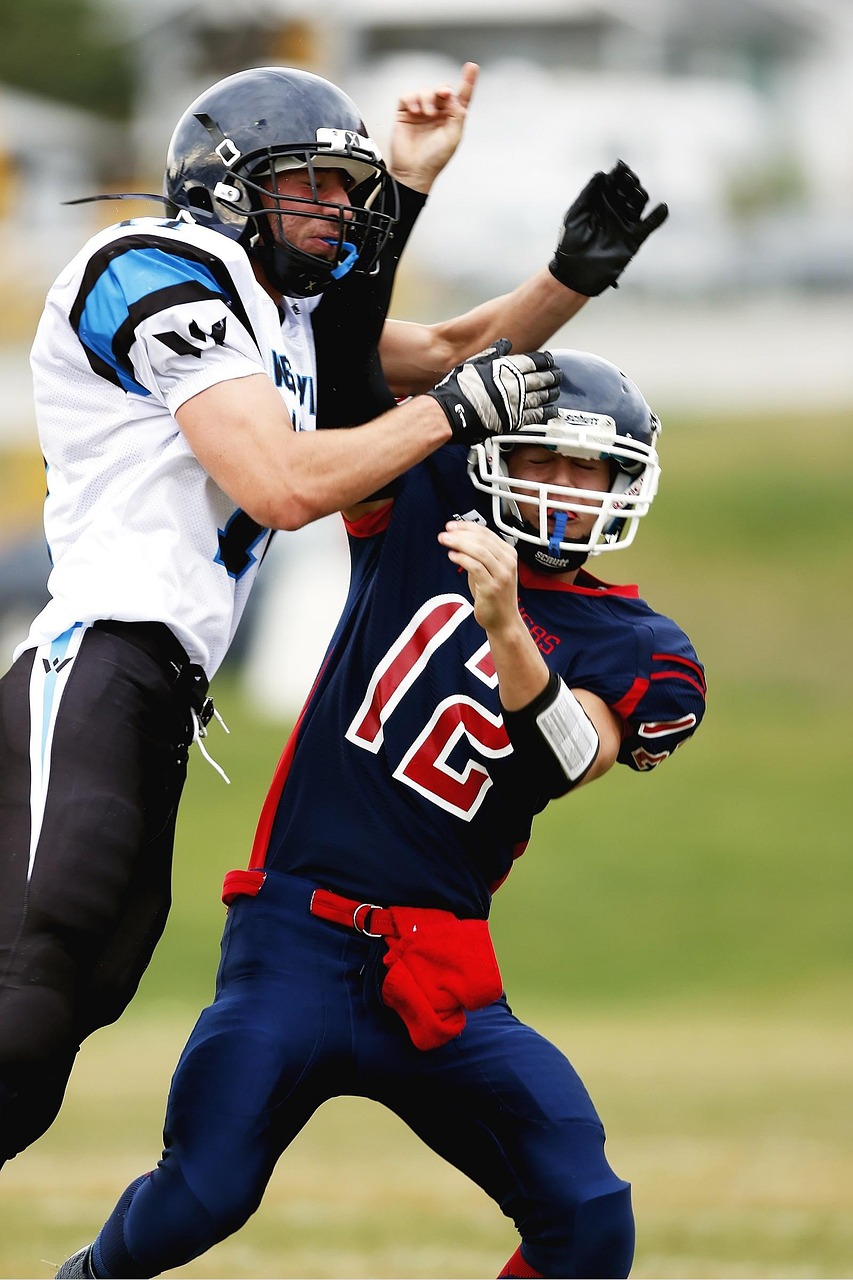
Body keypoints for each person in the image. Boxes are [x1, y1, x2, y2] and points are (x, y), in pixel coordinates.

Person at [0, 58, 669, 1171]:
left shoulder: (274, 310)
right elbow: (287, 484)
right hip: (95, 660)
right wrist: (449, 414)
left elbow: (459, 350)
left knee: (81, 995)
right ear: (227, 182)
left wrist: (570, 277)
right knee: (33, 976)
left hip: (160, 687)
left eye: (346, 190)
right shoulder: (155, 266)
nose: (336, 210)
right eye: (308, 184)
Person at [54, 349, 706, 1280]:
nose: (564, 486)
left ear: (624, 482)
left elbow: (569, 755)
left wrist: (508, 626)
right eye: (543, 459)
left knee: (589, 1214)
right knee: (200, 1194)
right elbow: (359, 353)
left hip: (436, 973)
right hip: (293, 939)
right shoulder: (428, 512)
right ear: (495, 458)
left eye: (587, 469)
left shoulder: (648, 649)